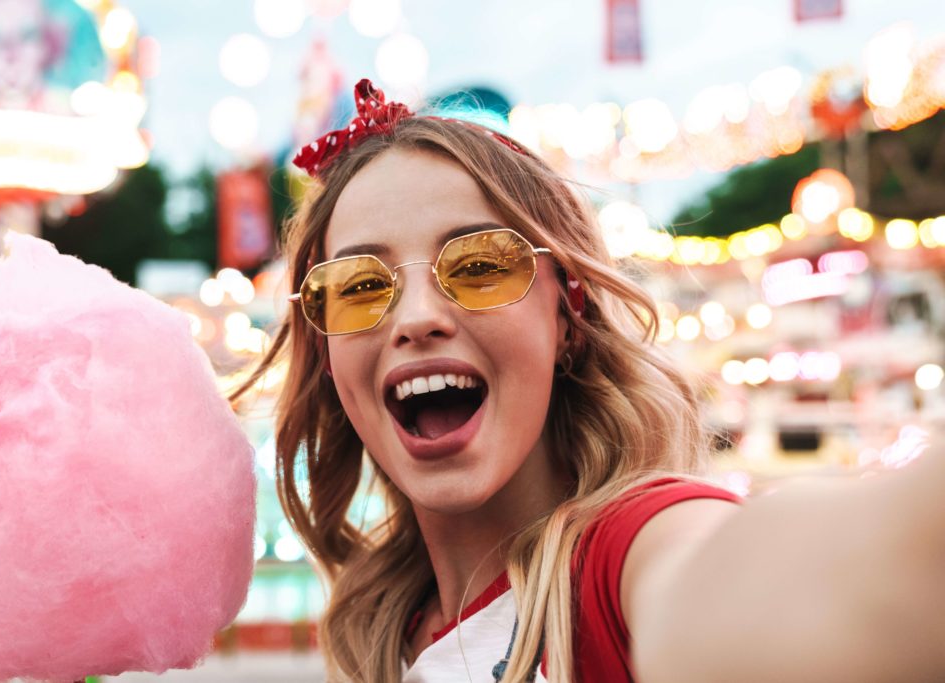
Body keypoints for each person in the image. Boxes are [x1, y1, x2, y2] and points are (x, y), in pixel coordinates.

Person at [232, 79, 945, 682]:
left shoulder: (620, 566)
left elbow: (813, 582)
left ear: (567, 312)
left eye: (480, 265)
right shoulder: (383, 631)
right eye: (358, 284)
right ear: (326, 350)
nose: (416, 318)